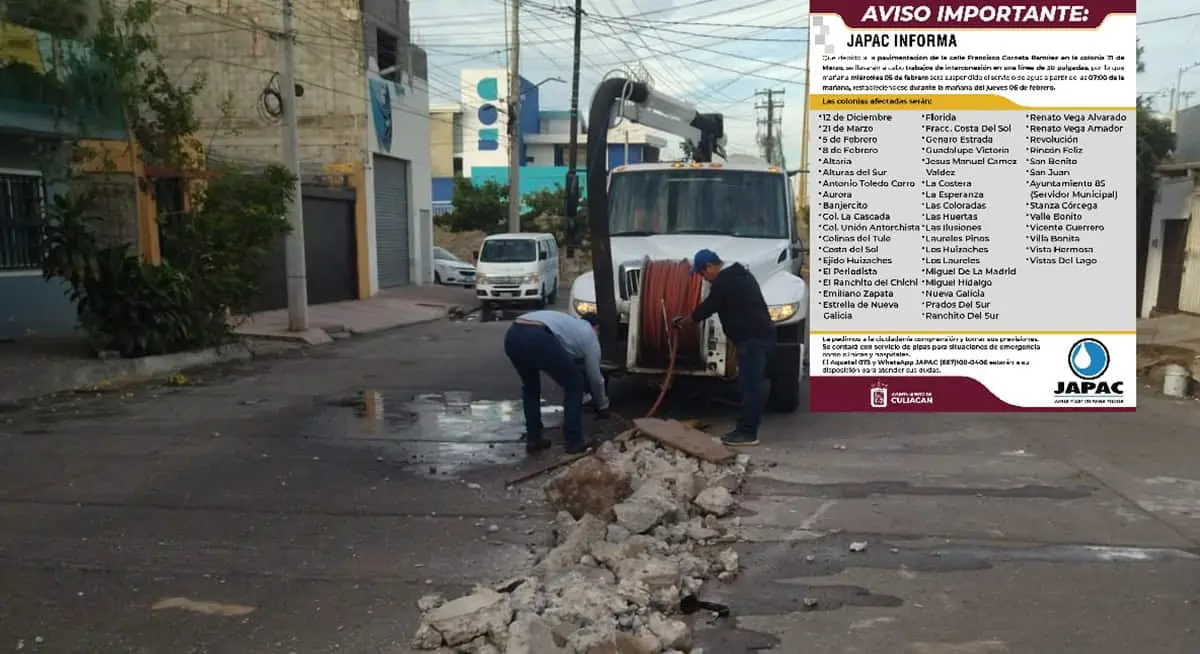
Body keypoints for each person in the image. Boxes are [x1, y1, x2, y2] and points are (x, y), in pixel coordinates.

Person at [672, 249, 775, 446]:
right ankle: (744, 427)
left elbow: (707, 308)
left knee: (751, 387)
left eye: (703, 273)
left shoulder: (725, 283)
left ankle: (747, 434)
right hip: (758, 337)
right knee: (750, 385)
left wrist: (684, 322)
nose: (703, 278)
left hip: (752, 341)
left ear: (711, 266)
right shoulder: (738, 275)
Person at [504, 310, 610, 454]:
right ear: (596, 327)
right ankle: (574, 442)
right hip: (537, 336)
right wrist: (603, 405)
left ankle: (534, 438)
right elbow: (595, 378)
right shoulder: (590, 334)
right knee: (574, 384)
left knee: (531, 387)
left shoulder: (570, 325)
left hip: (513, 334)